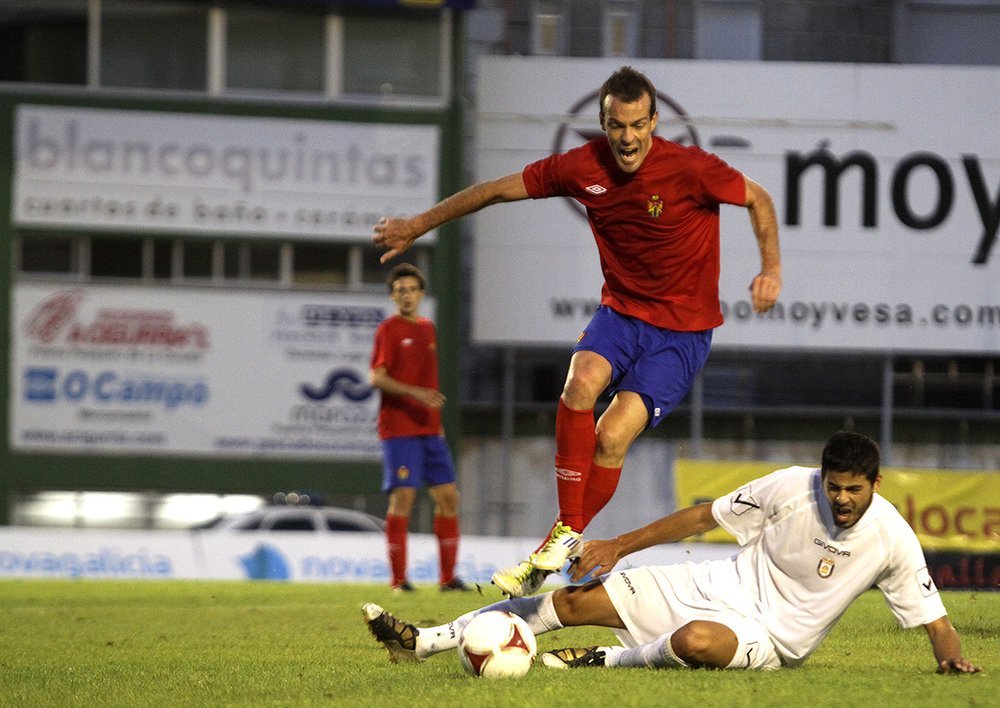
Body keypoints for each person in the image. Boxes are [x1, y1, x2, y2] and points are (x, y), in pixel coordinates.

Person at [372, 65, 782, 597]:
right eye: (617, 126)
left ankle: (558, 538)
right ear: (603, 124)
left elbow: (759, 198)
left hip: (681, 334)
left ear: (655, 121)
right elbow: (495, 191)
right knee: (579, 385)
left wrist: (771, 269)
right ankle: (566, 533)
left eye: (638, 125)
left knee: (610, 438)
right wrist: (416, 225)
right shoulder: (580, 166)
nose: (628, 138)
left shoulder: (691, 168)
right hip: (622, 314)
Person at [363, 431, 981, 674]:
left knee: (694, 643)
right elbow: (701, 517)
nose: (842, 499)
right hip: (716, 584)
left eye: (854, 490)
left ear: (875, 484)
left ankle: (606, 660)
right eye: (834, 486)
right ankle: (423, 641)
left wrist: (951, 660)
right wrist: (618, 545)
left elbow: (935, 621)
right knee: (572, 601)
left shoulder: (893, 536)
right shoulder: (791, 488)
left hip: (771, 639)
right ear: (822, 477)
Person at [370, 263, 468, 592]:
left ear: (422, 294)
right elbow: (376, 377)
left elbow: (429, 383)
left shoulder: (428, 329)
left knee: (449, 497)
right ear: (393, 296)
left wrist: (437, 424)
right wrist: (415, 393)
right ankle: (398, 581)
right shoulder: (388, 330)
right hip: (399, 429)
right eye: (400, 291)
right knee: (404, 499)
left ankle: (448, 579)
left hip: (430, 430)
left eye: (412, 290)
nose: (407, 296)